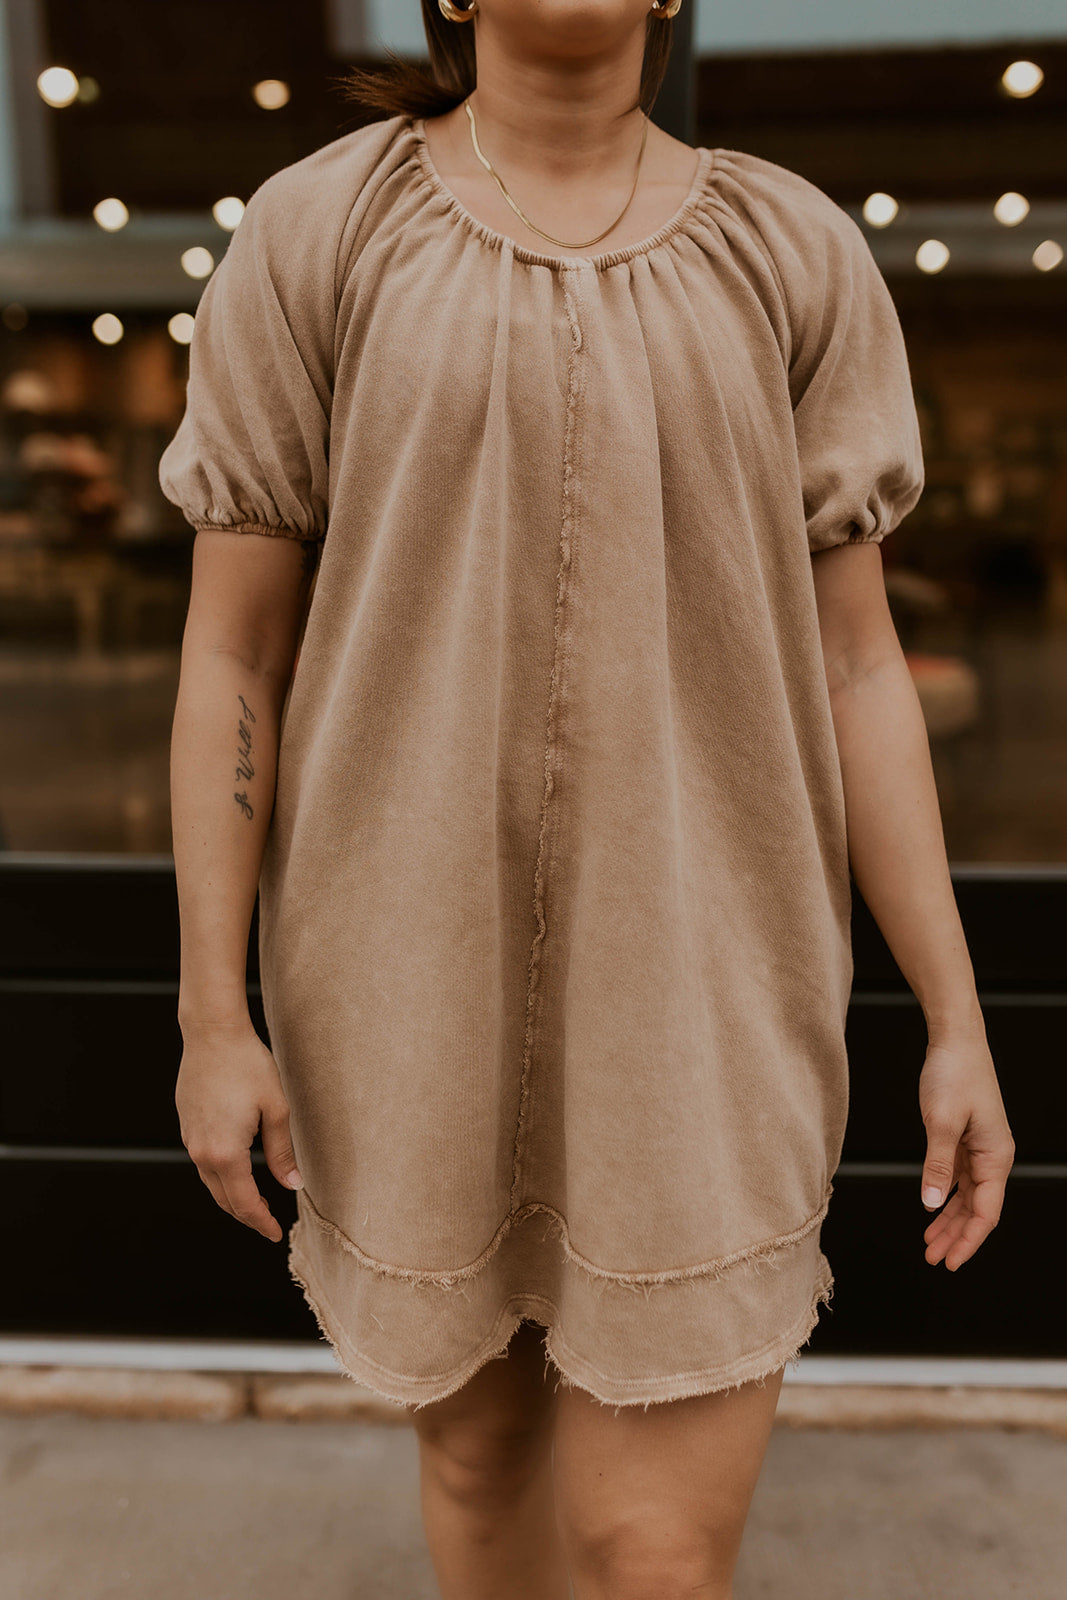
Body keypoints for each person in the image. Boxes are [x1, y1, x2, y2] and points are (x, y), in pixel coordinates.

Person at [159, 2, 1016, 1596]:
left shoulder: (792, 253)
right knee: (479, 1461)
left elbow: (860, 671)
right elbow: (234, 654)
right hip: (407, 974)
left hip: (708, 982)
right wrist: (215, 1013)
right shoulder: (320, 231)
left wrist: (957, 1017)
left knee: (656, 1554)